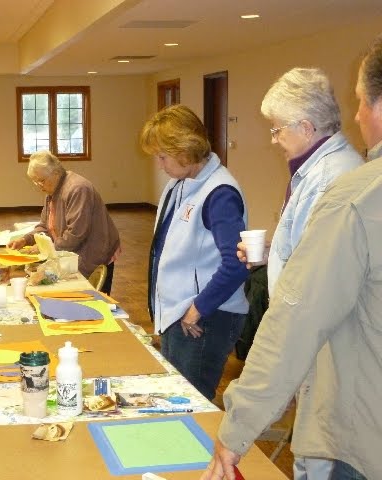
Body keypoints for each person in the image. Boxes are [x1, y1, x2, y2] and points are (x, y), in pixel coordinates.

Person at [201, 35, 382, 480]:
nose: (355, 115)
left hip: (355, 406)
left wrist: (238, 424)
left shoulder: (351, 191)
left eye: (360, 101)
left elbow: (300, 314)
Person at [242, 68, 363, 480]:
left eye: (277, 130)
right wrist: (269, 257)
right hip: (309, 329)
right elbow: (306, 248)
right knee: (311, 444)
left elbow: (320, 273)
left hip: (321, 336)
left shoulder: (334, 179)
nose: (274, 139)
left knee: (319, 451)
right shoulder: (313, 170)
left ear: (305, 126)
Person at [140, 104, 249, 402]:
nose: (160, 164)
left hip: (204, 317)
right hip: (180, 314)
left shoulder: (220, 193)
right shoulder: (182, 184)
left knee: (190, 406)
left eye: (163, 156)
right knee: (175, 400)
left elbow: (238, 263)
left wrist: (198, 308)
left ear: (185, 149)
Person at [7, 150, 121, 294]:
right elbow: (44, 226)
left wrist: (46, 249)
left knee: (91, 299)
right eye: (35, 182)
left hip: (94, 252)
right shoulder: (52, 189)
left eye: (41, 180)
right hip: (73, 251)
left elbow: (75, 234)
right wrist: (25, 240)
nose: (39, 186)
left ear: (55, 173)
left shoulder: (77, 189)